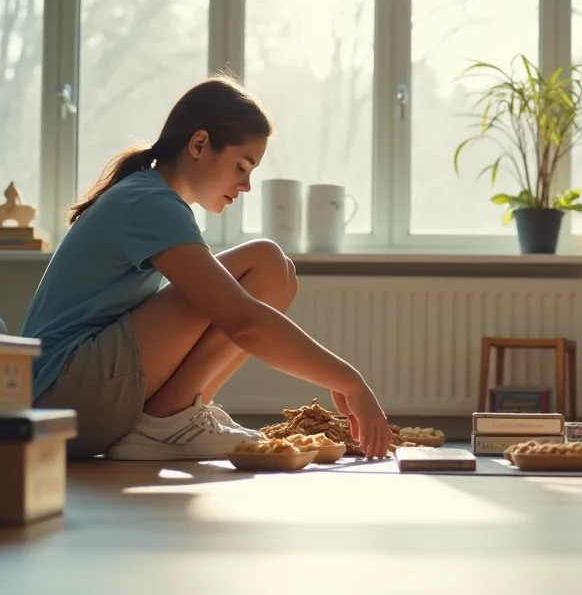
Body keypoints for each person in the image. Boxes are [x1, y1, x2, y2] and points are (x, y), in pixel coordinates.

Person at [23, 75, 391, 461]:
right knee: (263, 262)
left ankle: (174, 418)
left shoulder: (151, 197)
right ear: (199, 144)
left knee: (275, 271)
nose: (246, 185)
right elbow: (243, 322)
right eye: (241, 166)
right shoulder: (150, 202)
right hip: (66, 398)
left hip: (78, 396)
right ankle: (168, 421)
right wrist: (351, 383)